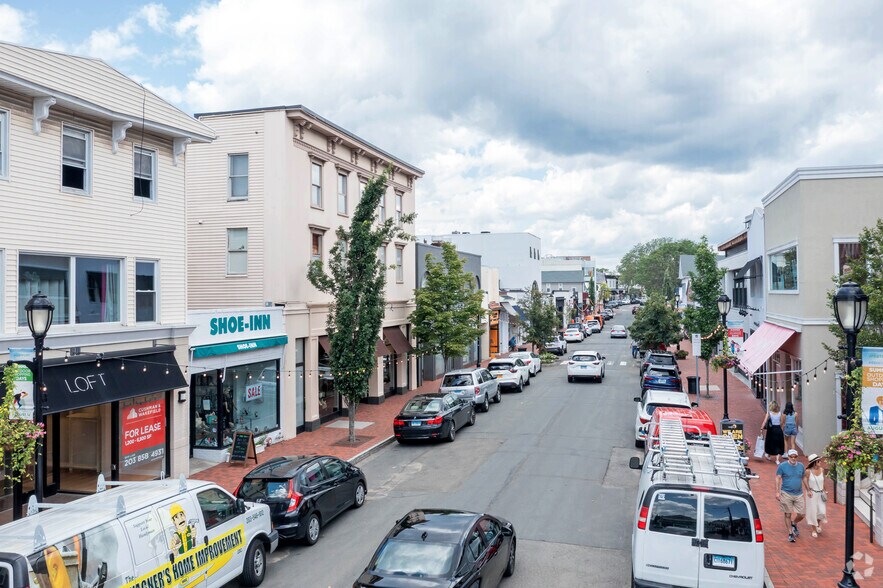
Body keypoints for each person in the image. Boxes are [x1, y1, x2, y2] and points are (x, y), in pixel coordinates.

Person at [776, 449, 808, 543]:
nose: (793, 458)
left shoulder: (801, 466)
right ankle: (790, 533)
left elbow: (804, 477)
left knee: (802, 514)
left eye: (795, 456)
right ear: (788, 457)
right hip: (786, 493)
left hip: (799, 493)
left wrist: (808, 489)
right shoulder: (782, 466)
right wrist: (777, 492)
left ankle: (794, 523)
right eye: (791, 456)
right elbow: (778, 478)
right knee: (787, 513)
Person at [804, 453, 827, 538]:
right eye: (818, 461)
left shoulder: (822, 470)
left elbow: (823, 481)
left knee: (822, 511)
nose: (820, 462)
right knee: (813, 511)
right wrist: (808, 490)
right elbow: (805, 480)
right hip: (812, 494)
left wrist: (825, 490)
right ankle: (813, 529)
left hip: (821, 493)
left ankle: (817, 524)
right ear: (814, 462)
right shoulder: (808, 471)